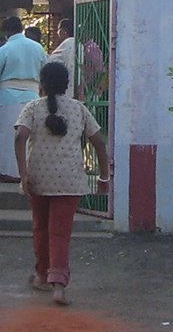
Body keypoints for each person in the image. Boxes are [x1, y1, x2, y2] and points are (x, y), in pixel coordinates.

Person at [14, 60, 109, 306]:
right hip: (70, 179)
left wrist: (23, 174)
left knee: (40, 228)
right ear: (67, 85)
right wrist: (104, 176)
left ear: (42, 84)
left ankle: (41, 275)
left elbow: (20, 137)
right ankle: (58, 285)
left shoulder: (32, 108)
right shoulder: (79, 109)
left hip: (39, 179)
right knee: (60, 232)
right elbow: (99, 142)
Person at [0, 15, 45, 182]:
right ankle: (27, 171)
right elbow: (45, 70)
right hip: (32, 95)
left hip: (7, 96)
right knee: (29, 136)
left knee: (5, 134)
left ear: (6, 32)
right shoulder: (37, 48)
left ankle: (7, 171)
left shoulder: (4, 49)